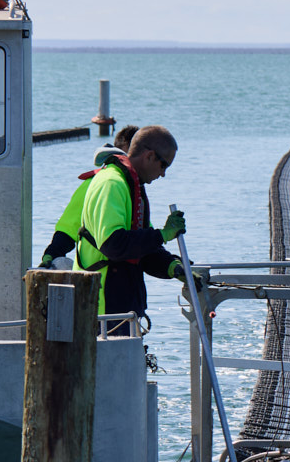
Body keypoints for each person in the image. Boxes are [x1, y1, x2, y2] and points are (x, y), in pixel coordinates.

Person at [76, 124, 189, 321]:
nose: (163, 174)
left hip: (122, 307)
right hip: (101, 309)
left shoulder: (132, 186)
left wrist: (174, 267)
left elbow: (142, 249)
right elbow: (113, 244)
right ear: (150, 156)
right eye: (164, 165)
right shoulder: (112, 183)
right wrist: (162, 235)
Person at [38, 124, 136, 266]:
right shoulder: (98, 182)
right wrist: (51, 255)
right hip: (94, 278)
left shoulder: (134, 190)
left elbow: (143, 234)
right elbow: (69, 229)